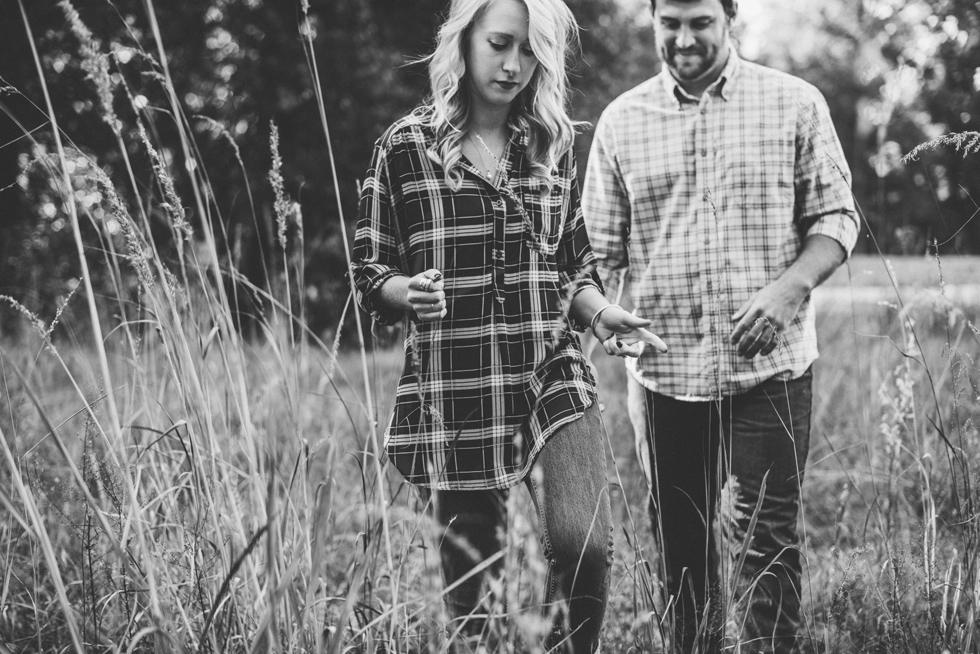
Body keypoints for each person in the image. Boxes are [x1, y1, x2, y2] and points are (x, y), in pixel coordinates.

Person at [349, 0, 667, 651]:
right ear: (463, 42)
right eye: (499, 44)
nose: (513, 64)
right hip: (458, 386)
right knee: (474, 597)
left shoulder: (553, 144)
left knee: (584, 549)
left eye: (529, 52)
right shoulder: (406, 149)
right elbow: (368, 272)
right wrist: (406, 291)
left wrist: (603, 315)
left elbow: (571, 268)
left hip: (550, 368)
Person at [581, 0, 859, 652]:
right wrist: (603, 314)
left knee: (768, 544)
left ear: (729, 15)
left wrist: (791, 289)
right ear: (651, 17)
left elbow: (836, 219)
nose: (683, 39)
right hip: (666, 376)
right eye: (669, 22)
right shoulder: (622, 122)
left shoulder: (794, 103)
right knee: (682, 550)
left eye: (700, 22)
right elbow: (593, 258)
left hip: (772, 372)